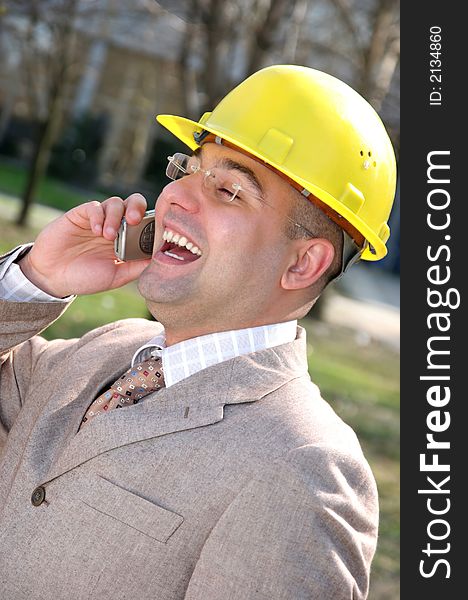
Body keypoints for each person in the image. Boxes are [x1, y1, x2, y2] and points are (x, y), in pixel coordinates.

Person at [0, 65, 396, 599]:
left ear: (303, 264)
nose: (174, 198)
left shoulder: (307, 471)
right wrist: (36, 279)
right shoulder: (104, 351)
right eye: (187, 169)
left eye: (229, 191)